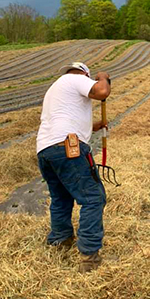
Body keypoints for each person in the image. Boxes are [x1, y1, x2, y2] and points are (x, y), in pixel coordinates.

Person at [36, 61, 111, 273]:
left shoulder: (56, 89)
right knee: (93, 197)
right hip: (68, 148)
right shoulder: (75, 79)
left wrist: (95, 126)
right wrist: (103, 77)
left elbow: (68, 120)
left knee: (61, 198)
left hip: (46, 150)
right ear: (85, 75)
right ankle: (89, 256)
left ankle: (60, 242)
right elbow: (102, 91)